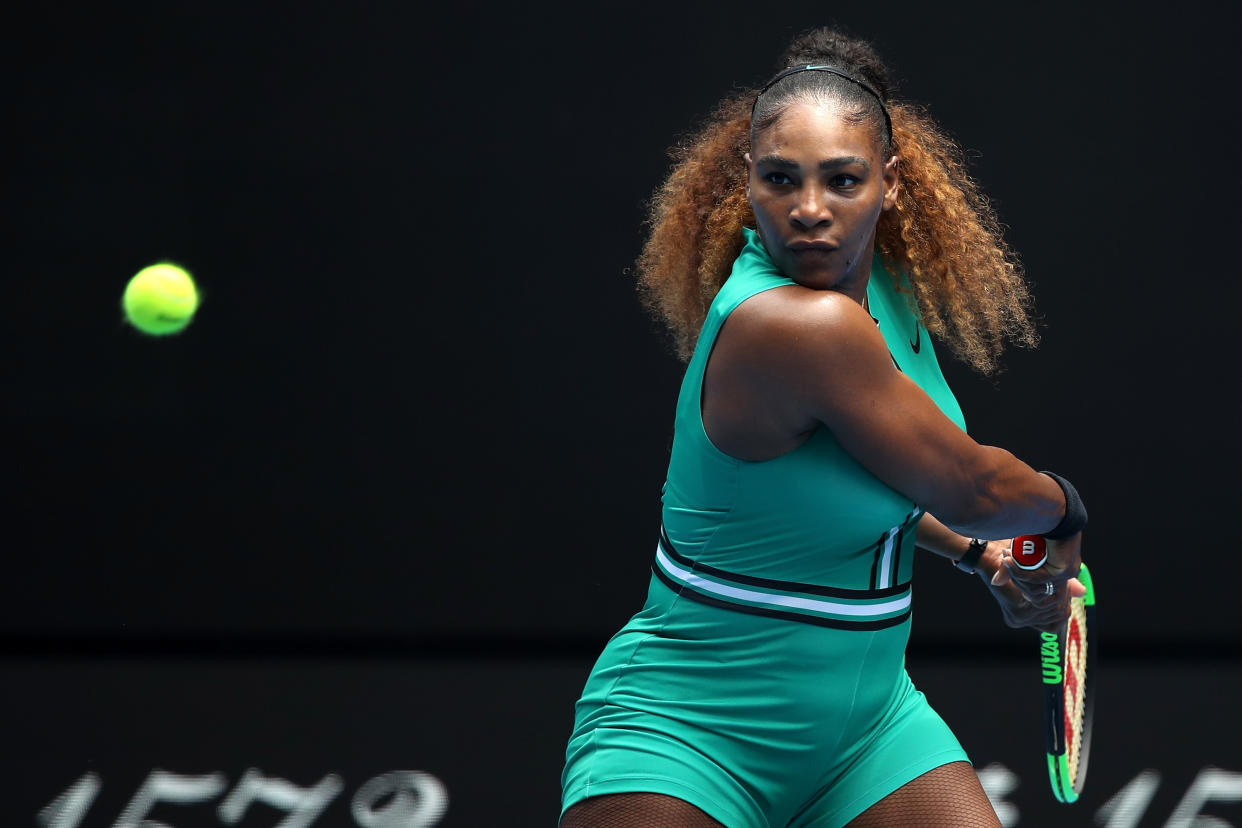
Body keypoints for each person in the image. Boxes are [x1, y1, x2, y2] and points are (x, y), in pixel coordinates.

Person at [560, 26, 1088, 828]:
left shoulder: (883, 283)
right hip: (688, 734)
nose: (810, 209)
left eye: (842, 180)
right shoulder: (795, 326)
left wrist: (980, 555)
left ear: (892, 184)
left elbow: (882, 482)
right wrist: (1064, 511)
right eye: (781, 179)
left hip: (871, 734)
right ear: (748, 182)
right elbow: (975, 487)